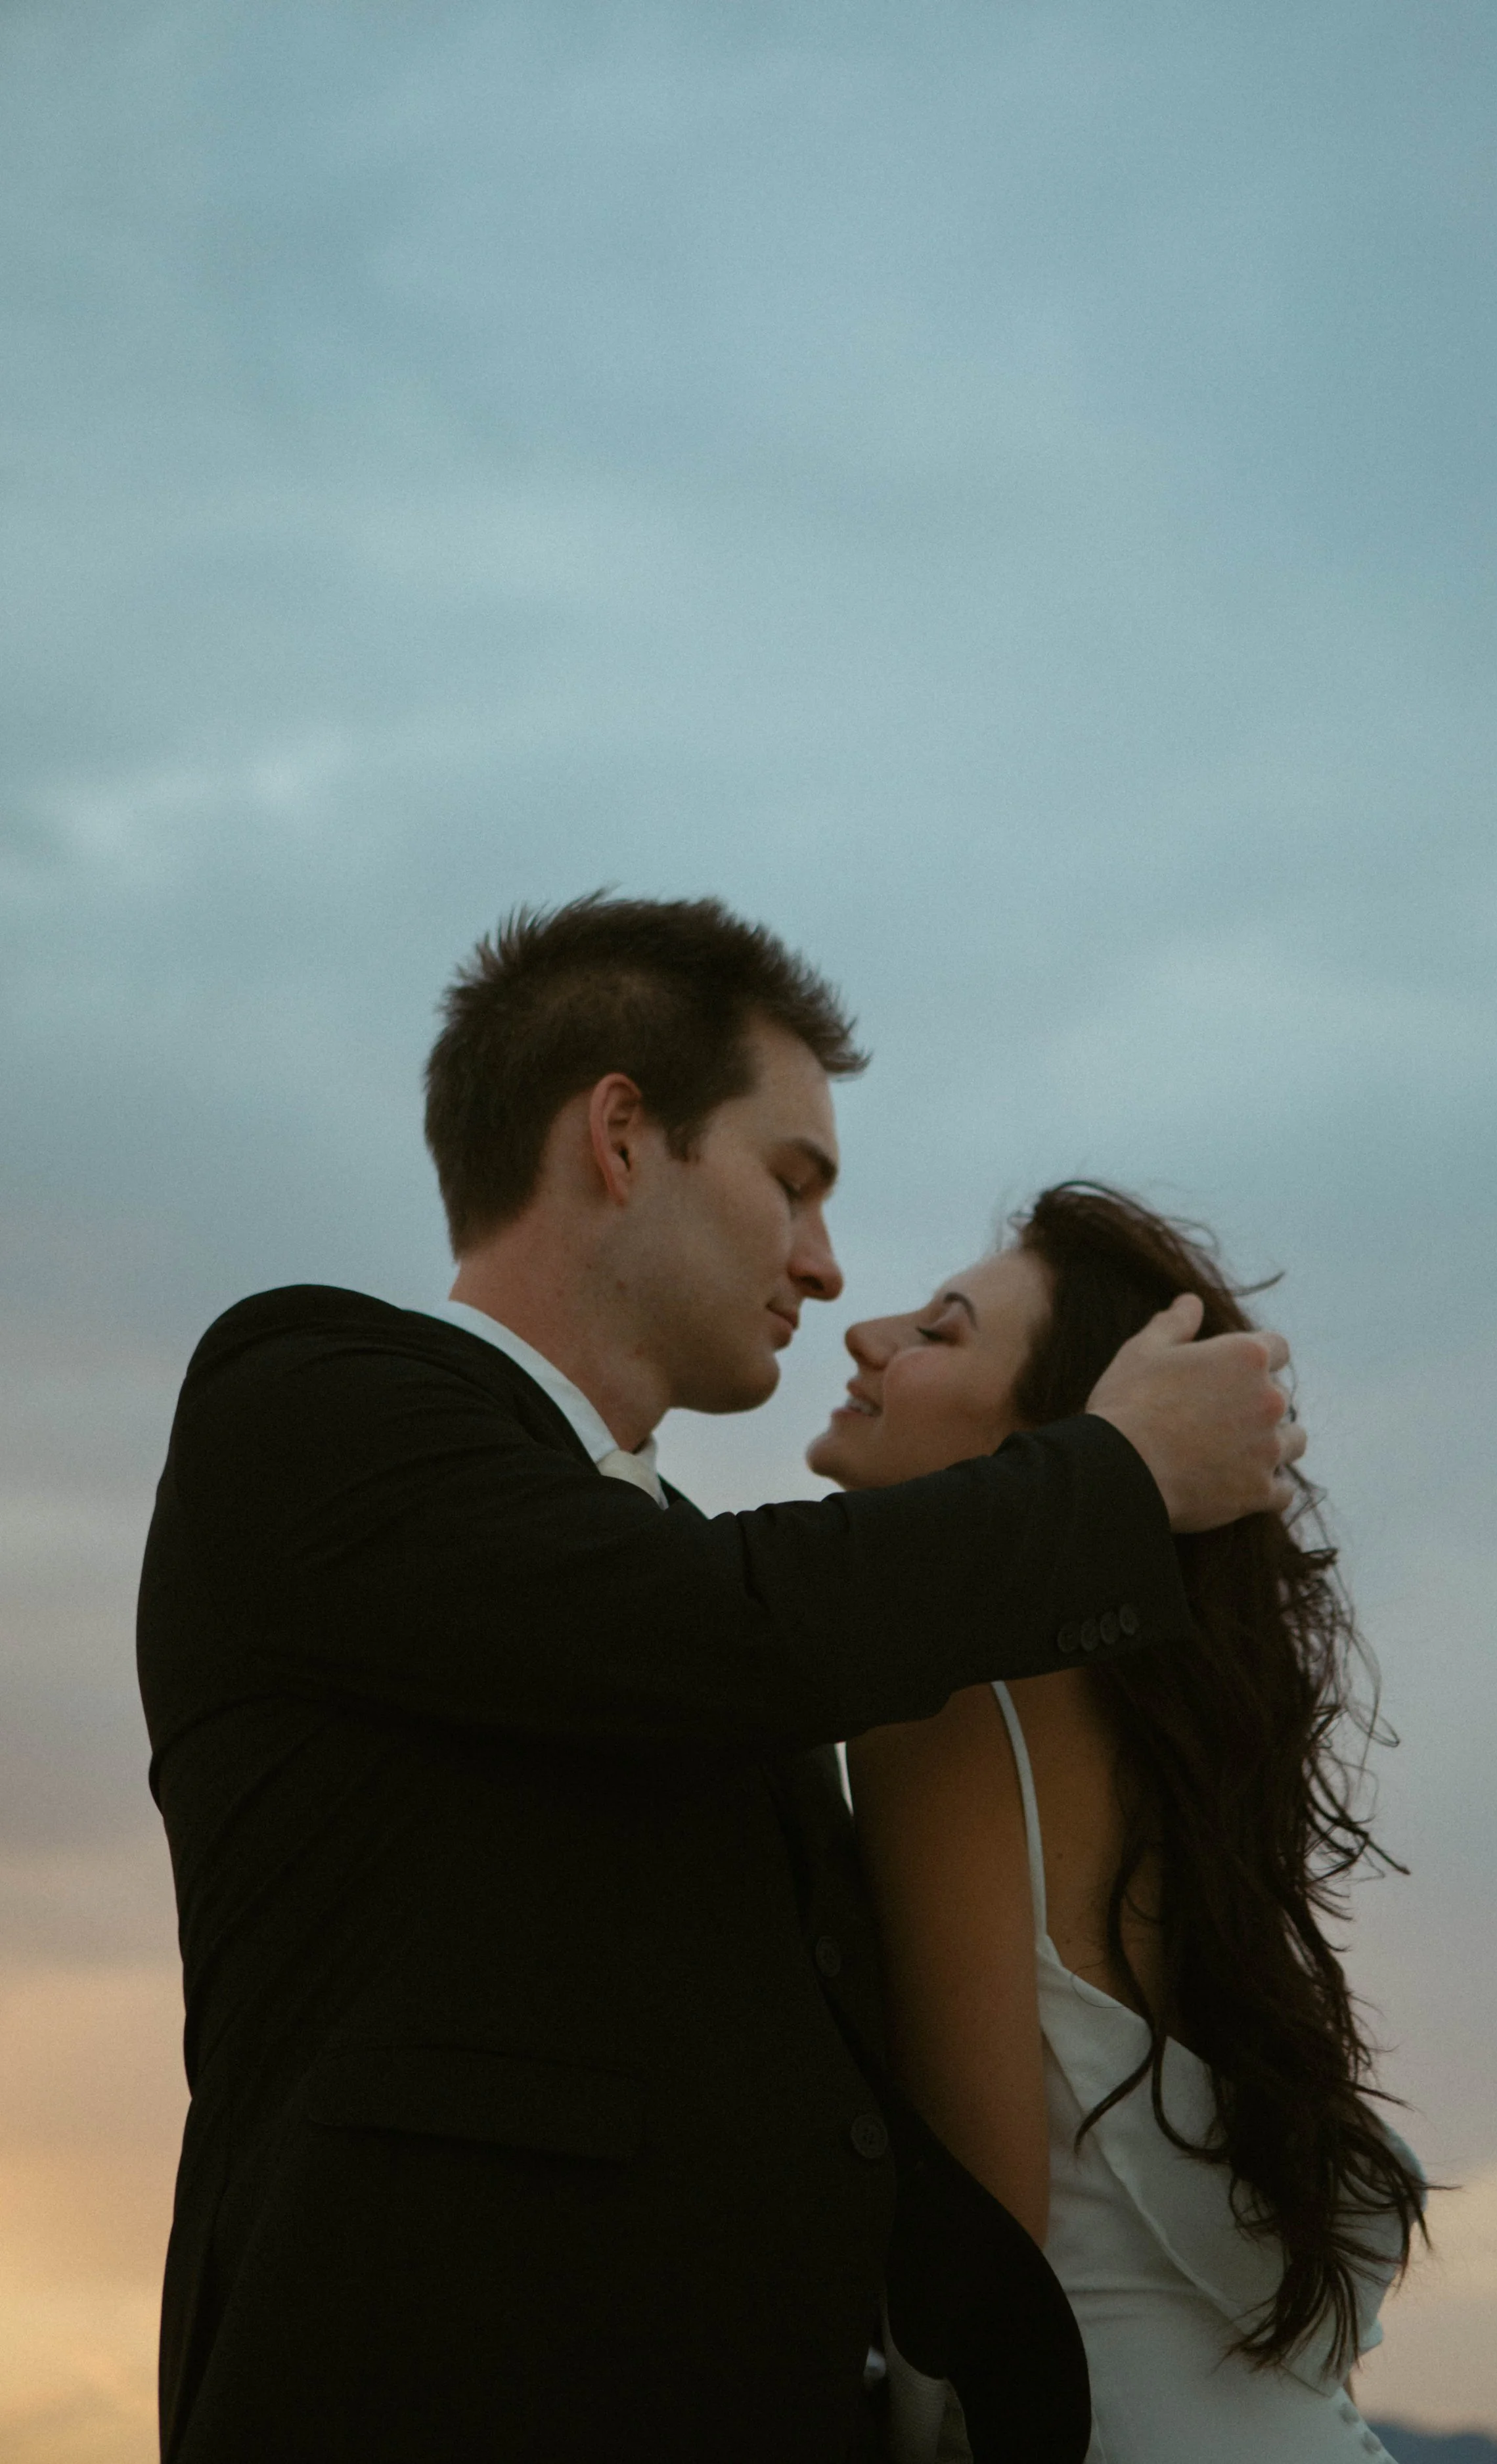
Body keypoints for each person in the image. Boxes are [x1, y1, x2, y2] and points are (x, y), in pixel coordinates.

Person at [137, 896, 1304, 2464]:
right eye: (792, 1182)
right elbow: (722, 1631)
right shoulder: (308, 1397)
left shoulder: (687, 1563)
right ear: (620, 1136)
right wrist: (1119, 1475)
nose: (823, 1269)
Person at [809, 1181, 1426, 2464]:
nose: (864, 1333)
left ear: (1058, 1446)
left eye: (938, 1331)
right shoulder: (1161, 1742)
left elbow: (981, 2237)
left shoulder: (946, 1706)